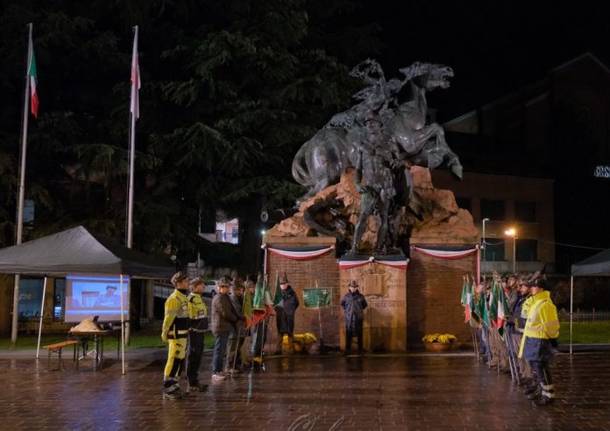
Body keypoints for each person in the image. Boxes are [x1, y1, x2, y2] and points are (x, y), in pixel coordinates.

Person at [518, 277, 560, 405]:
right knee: (536, 368)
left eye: (533, 286)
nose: (531, 288)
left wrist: (552, 340)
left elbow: (552, 325)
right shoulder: (536, 302)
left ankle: (549, 395)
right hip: (532, 339)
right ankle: (541, 390)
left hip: (540, 340)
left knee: (541, 368)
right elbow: (525, 315)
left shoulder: (546, 304)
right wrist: (529, 300)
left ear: (541, 289)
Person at [161, 271, 190, 400]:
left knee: (179, 359)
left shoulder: (183, 297)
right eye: (185, 281)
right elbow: (168, 318)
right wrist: (165, 331)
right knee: (173, 359)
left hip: (183, 333)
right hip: (176, 334)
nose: (188, 283)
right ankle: (168, 386)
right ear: (178, 283)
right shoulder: (174, 299)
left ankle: (175, 384)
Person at [210, 276, 240, 382]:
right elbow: (225, 313)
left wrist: (238, 317)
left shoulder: (225, 297)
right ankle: (215, 371)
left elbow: (230, 310)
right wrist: (236, 318)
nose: (227, 288)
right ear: (219, 287)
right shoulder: (219, 298)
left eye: (227, 287)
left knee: (222, 350)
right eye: (224, 287)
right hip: (220, 328)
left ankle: (219, 370)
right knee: (219, 350)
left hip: (225, 327)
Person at [186, 276, 208, 392]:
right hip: (194, 332)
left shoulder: (199, 298)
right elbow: (189, 316)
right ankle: (191, 381)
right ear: (194, 287)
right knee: (193, 356)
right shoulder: (191, 299)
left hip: (201, 331)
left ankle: (195, 380)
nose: (203, 286)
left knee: (198, 356)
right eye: (201, 285)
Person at [341, 280, 368, 355]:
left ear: (357, 287)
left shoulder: (361, 296)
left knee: (359, 334)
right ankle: (348, 349)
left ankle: (360, 350)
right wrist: (348, 312)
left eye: (355, 287)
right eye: (352, 287)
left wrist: (358, 311)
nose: (353, 288)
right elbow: (343, 304)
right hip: (349, 318)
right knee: (348, 334)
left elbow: (364, 305)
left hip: (358, 318)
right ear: (349, 287)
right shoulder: (346, 297)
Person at [275, 273, 299, 354]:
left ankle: (291, 350)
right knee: (280, 334)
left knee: (290, 333)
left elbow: (296, 303)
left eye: (284, 283)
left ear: (287, 284)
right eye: (281, 284)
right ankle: (278, 350)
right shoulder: (278, 294)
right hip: (280, 316)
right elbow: (275, 304)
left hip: (289, 316)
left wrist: (291, 311)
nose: (282, 285)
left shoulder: (292, 293)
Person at [227, 279, 246, 373]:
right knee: (233, 347)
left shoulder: (242, 297)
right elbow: (237, 311)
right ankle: (230, 366)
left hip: (241, 326)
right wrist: (244, 316)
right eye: (239, 289)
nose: (241, 291)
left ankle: (237, 364)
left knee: (238, 346)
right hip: (234, 326)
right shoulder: (232, 298)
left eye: (241, 289)